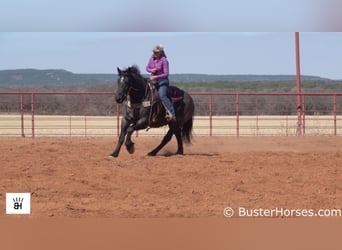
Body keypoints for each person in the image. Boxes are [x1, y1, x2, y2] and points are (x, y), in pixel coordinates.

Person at [146, 44, 176, 122]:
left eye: (156, 52)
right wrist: (151, 70)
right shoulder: (151, 58)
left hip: (162, 82)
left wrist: (156, 77)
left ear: (160, 52)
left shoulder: (164, 60)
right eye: (154, 52)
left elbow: (166, 74)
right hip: (153, 81)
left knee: (162, 95)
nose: (154, 53)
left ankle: (171, 113)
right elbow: (147, 68)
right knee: (146, 94)